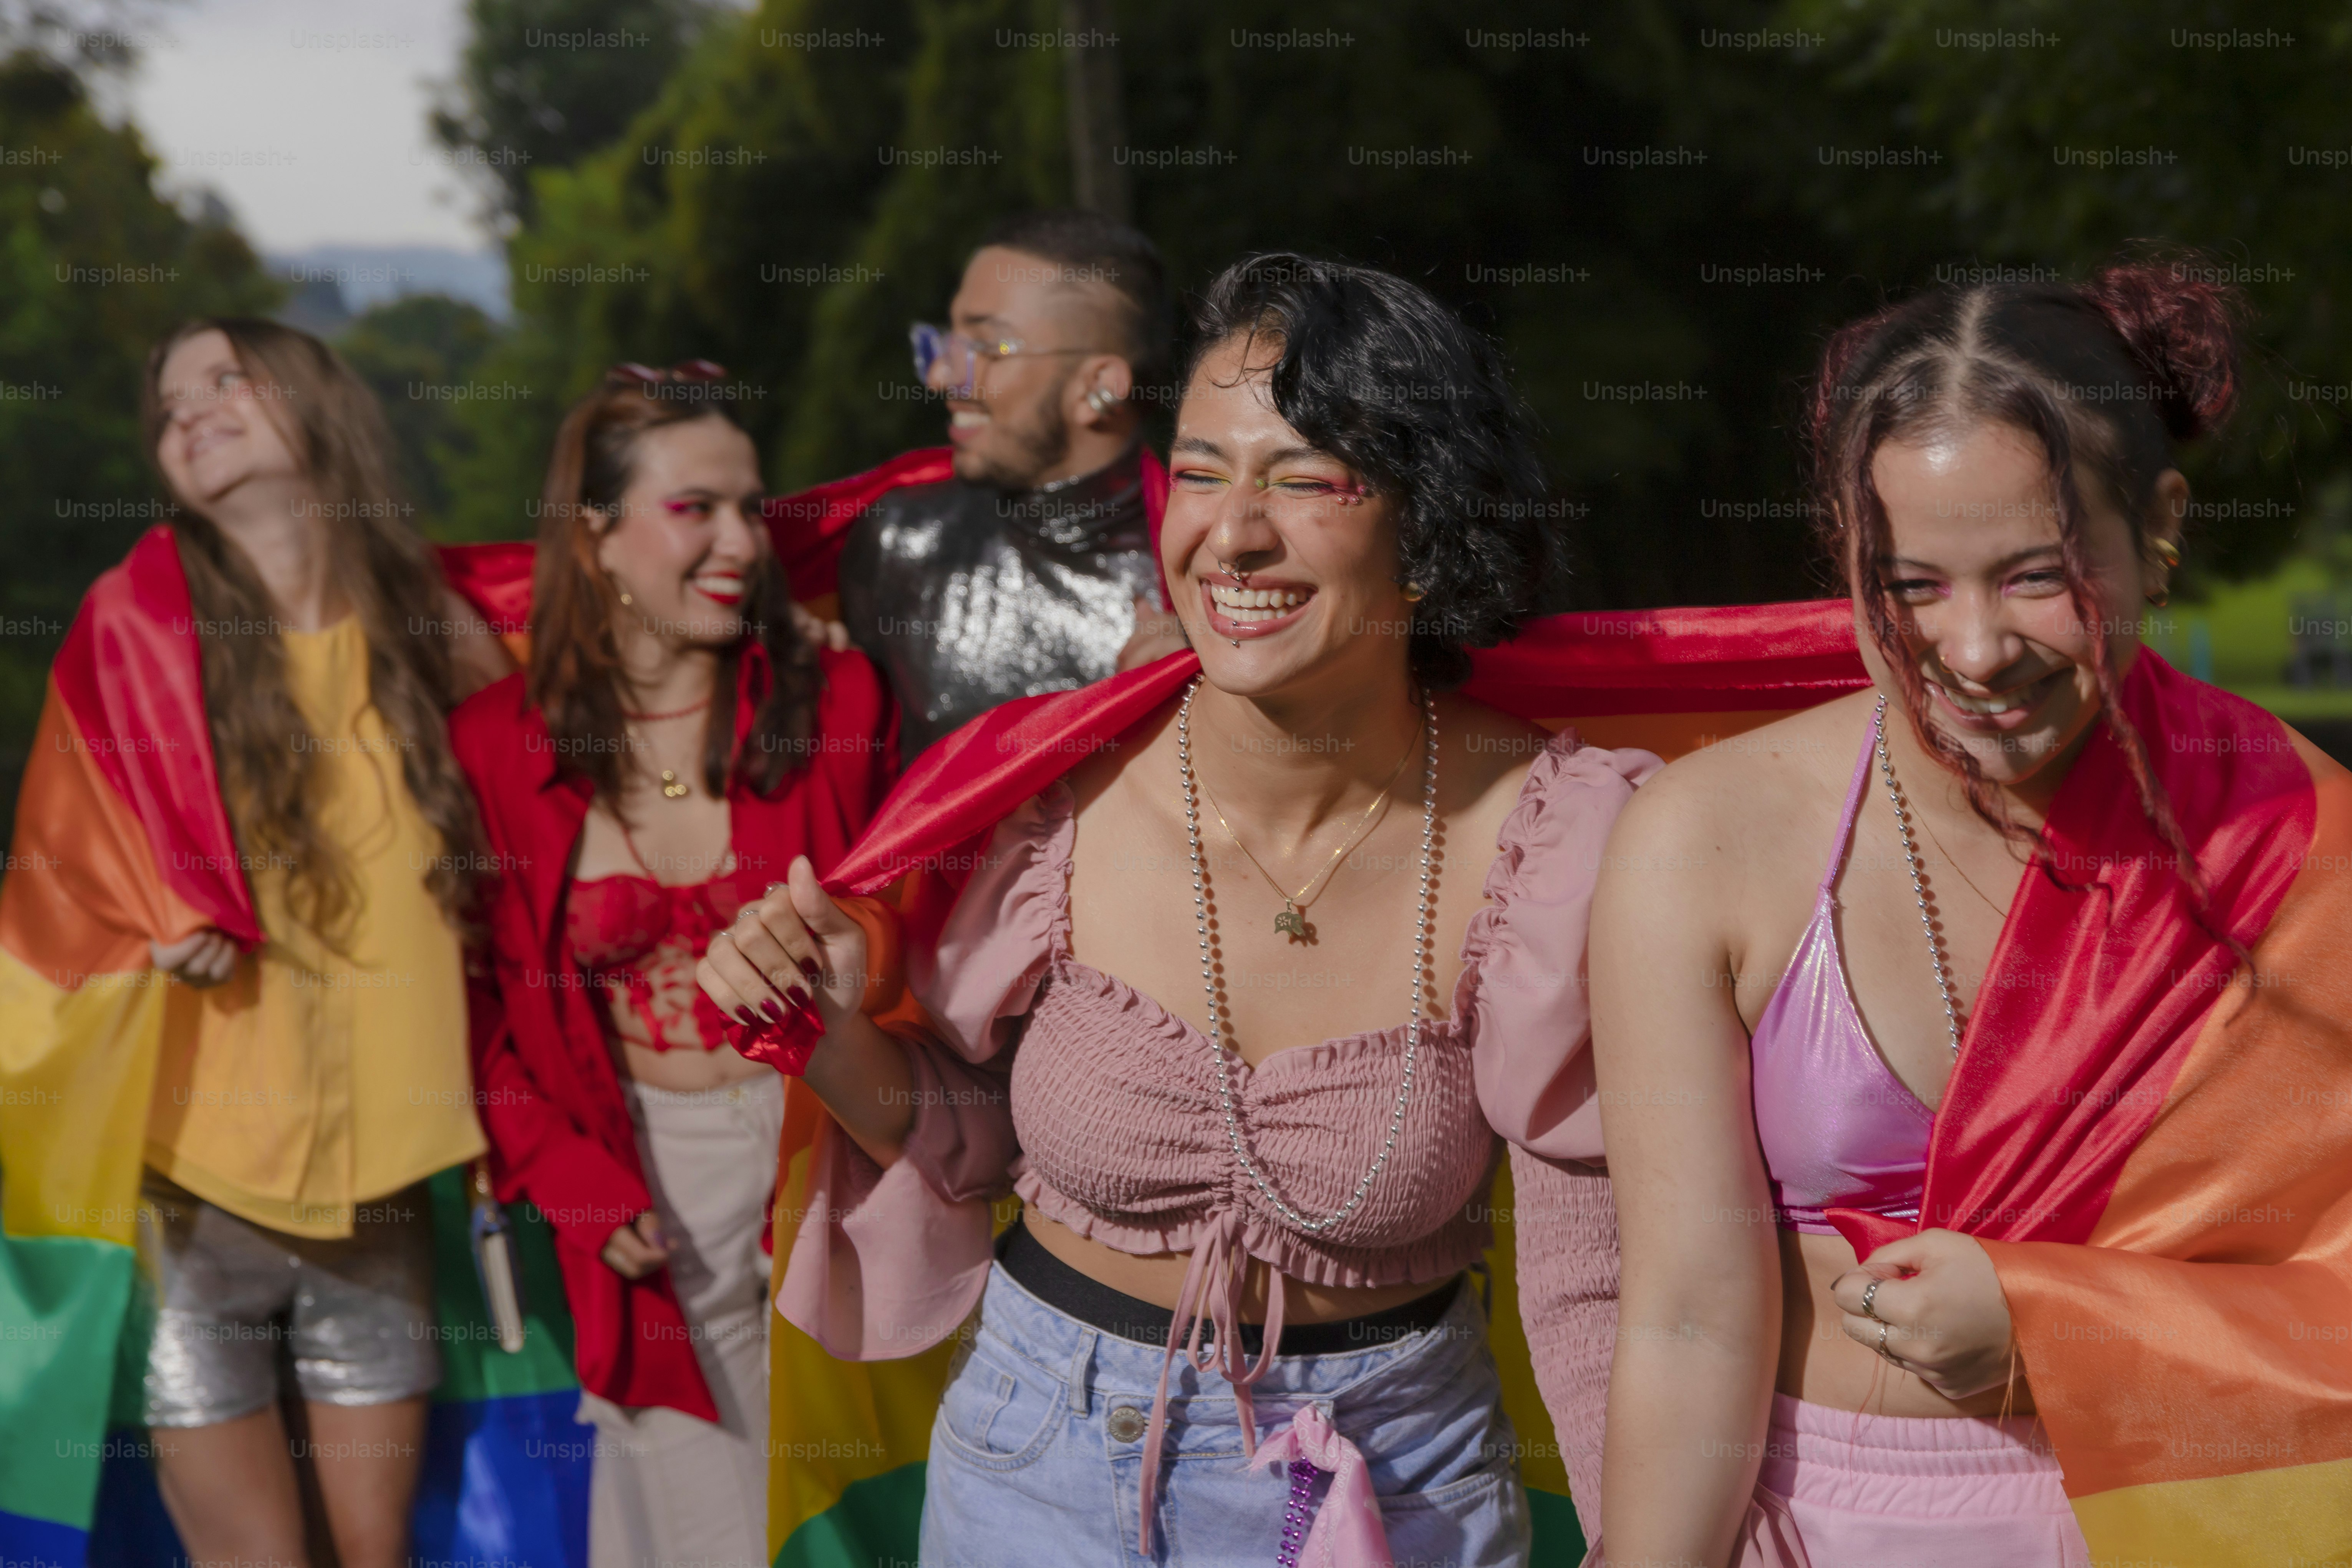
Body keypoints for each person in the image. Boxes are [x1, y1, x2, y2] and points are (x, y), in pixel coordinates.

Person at [700, 255, 1651, 1566]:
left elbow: (1592, 1279)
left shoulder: (1551, 839)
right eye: (1202, 471)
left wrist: (1635, 1542)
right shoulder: (1045, 801)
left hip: (1398, 1483)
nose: (1233, 534)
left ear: (1428, 528)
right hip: (1035, 1468)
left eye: (1307, 479)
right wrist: (822, 1035)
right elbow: (973, 1143)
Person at [1594, 264, 2352, 1565]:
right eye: (1910, 582)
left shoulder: (2298, 845)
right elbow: (1683, 1321)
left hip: (2189, 1527)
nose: (1975, 648)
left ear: (2158, 520)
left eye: (2034, 575)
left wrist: (2052, 1322)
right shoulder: (1703, 839)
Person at [0, 318, 510, 1568]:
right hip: (194, 1195)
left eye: (228, 380)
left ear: (320, 406)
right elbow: (62, 864)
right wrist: (147, 908)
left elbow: (561, 818)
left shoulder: (440, 633)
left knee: (378, 1555)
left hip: (385, 1200)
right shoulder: (133, 634)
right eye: (170, 403)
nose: (192, 411)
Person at [451, 365, 897, 1568]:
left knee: (857, 1524)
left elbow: (911, 947)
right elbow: (479, 1013)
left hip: (837, 1164)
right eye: (695, 508)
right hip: (644, 1180)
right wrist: (568, 1178)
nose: (742, 541)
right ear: (595, 539)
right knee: (694, 1536)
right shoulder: (494, 746)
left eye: (752, 509)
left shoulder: (842, 698)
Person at [834, 208, 1189, 766]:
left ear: (1098, 387)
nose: (942, 376)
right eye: (947, 342)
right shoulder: (902, 544)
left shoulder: (1208, 573)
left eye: (989, 349)